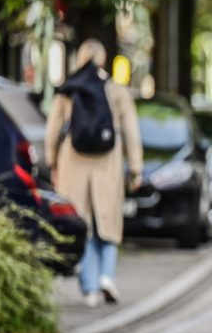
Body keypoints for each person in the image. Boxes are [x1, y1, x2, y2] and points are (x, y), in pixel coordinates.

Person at [46, 39, 143, 308]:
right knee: (109, 220)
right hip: (107, 161)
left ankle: (89, 288)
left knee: (82, 223)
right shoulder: (116, 91)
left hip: (73, 161)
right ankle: (107, 277)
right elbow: (132, 131)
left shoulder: (68, 90)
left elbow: (53, 129)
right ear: (102, 60)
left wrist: (52, 162)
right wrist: (136, 168)